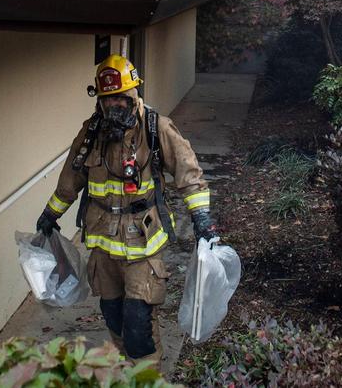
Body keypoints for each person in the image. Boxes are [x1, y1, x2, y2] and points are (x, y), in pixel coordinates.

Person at [36, 55, 217, 364]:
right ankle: (126, 372)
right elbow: (71, 178)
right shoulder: (91, 134)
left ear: (134, 95)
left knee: (138, 324)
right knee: (114, 315)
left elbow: (189, 172)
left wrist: (201, 218)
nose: (116, 104)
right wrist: (51, 214)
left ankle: (148, 379)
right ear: (100, 101)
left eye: (122, 97)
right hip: (103, 246)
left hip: (143, 246)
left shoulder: (156, 128)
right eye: (109, 99)